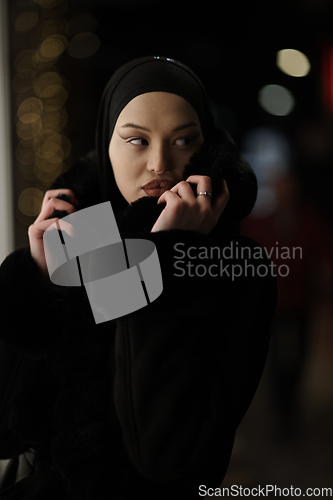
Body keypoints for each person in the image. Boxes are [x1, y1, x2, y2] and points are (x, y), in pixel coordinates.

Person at [0, 56, 277, 499]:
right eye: (136, 141)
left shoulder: (234, 266)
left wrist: (167, 258)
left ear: (206, 151)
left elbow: (163, 455)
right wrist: (37, 284)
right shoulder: (82, 243)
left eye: (184, 140)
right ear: (105, 146)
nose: (160, 163)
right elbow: (6, 436)